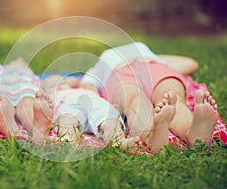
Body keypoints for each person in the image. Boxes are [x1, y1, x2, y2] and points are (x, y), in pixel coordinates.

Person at [80, 42, 218, 149]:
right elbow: (88, 86)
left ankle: (193, 133)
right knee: (137, 100)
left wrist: (156, 58)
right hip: (122, 73)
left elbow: (191, 63)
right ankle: (154, 137)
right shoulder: (99, 65)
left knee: (170, 96)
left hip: (152, 65)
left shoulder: (145, 53)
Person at [38, 74, 181, 153]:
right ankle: (68, 141)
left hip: (94, 102)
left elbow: (80, 79)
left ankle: (118, 142)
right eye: (51, 85)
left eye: (62, 81)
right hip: (68, 106)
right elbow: (41, 108)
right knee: (67, 120)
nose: (58, 85)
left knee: (110, 120)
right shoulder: (53, 96)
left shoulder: (86, 89)